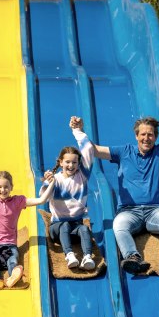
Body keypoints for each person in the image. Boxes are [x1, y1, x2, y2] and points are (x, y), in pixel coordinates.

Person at [89, 76, 159, 274]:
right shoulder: (124, 152)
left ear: (155, 137)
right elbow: (94, 150)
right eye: (143, 134)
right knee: (118, 224)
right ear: (136, 136)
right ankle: (132, 256)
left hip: (156, 210)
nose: (147, 138)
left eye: (151, 134)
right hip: (130, 211)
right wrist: (79, 132)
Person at [40, 116, 96, 271]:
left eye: (74, 162)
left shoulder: (82, 176)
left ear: (79, 164)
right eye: (67, 162)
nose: (71, 165)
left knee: (85, 229)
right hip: (57, 227)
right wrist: (48, 182)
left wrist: (77, 130)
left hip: (76, 225)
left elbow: (89, 149)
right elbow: (43, 196)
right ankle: (69, 255)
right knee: (64, 225)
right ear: (60, 162)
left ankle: (87, 257)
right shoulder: (55, 179)